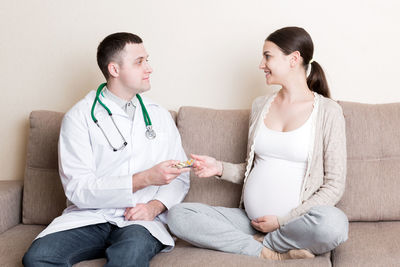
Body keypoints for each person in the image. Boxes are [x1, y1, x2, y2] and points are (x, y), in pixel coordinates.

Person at [168, 27, 348, 260]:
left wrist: (281, 222)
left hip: (296, 224)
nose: (261, 64)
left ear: (293, 59)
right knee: (178, 215)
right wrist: (219, 168)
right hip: (250, 222)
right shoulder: (260, 105)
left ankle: (263, 244)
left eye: (268, 56)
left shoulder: (328, 112)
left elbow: (334, 185)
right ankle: (269, 251)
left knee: (334, 224)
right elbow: (253, 168)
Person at [23, 32, 190, 267]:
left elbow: (180, 178)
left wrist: (154, 207)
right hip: (90, 217)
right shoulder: (79, 117)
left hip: (139, 220)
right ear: (114, 70)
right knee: (37, 258)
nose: (149, 68)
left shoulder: (159, 115)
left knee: (128, 259)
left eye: (147, 60)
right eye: (139, 62)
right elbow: (77, 188)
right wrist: (144, 178)